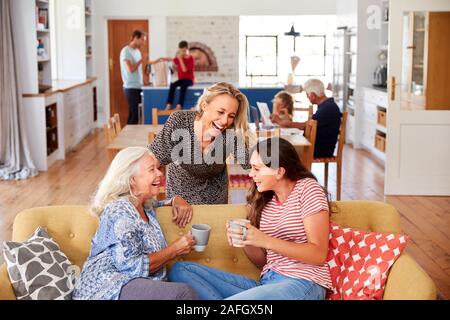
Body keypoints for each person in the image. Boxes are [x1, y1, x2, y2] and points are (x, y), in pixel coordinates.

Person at [168, 137, 332, 300]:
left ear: (279, 171)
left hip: (303, 283)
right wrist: (247, 240)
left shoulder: (307, 189)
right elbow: (263, 262)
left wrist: (264, 240)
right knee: (181, 270)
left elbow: (318, 254)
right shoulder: (266, 202)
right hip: (267, 283)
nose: (251, 174)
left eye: (257, 169)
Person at [72, 147, 198, 300]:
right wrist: (175, 249)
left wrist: (175, 199)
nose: (160, 173)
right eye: (152, 170)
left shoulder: (144, 205)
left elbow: (159, 204)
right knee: (183, 293)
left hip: (129, 284)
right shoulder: (120, 211)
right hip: (107, 286)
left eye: (158, 168)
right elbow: (133, 267)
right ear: (132, 180)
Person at [148, 82, 251, 205]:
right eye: (220, 112)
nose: (224, 121)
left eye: (231, 116)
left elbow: (250, 163)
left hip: (215, 205)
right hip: (179, 206)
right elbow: (152, 161)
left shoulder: (230, 132)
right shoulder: (179, 122)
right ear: (204, 105)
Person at [271, 79, 342, 158]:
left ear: (312, 95)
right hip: (316, 146)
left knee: (281, 150)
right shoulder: (327, 106)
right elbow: (308, 124)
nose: (307, 96)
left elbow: (305, 125)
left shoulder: (328, 108)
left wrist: (283, 122)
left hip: (320, 150)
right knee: (282, 148)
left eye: (307, 94)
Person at [120, 30, 161, 124]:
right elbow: (130, 69)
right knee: (134, 114)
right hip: (130, 87)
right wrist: (141, 60)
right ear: (135, 38)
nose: (144, 42)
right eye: (142, 40)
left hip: (139, 86)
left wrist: (145, 82)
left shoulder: (137, 51)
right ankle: (129, 137)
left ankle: (130, 136)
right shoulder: (126, 51)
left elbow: (138, 70)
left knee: (137, 114)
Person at [161, 40, 195, 110]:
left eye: (184, 51)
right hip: (181, 79)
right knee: (172, 85)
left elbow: (184, 70)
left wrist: (180, 59)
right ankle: (169, 104)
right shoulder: (180, 58)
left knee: (183, 86)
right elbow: (172, 59)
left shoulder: (190, 59)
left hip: (189, 80)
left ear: (187, 50)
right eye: (180, 51)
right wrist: (163, 59)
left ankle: (179, 105)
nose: (182, 53)